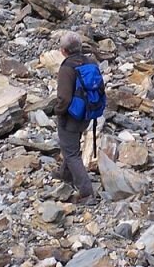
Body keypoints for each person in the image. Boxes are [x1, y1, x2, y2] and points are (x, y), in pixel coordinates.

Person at [54, 30, 98, 205]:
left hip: (71, 116)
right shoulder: (90, 62)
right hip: (86, 114)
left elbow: (64, 98)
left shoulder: (67, 68)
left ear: (64, 50)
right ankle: (65, 174)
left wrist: (58, 111)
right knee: (71, 147)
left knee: (72, 153)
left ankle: (87, 194)